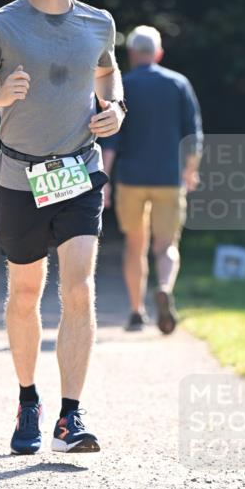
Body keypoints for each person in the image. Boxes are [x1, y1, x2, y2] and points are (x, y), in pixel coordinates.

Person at [0, 0, 126, 455]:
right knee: (26, 291)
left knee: (78, 286)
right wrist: (1, 97)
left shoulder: (99, 22)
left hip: (78, 168)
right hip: (20, 176)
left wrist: (115, 107)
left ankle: (70, 417)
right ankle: (28, 399)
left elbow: (106, 71)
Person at [101, 26, 203, 334]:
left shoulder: (122, 87)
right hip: (169, 179)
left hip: (131, 179)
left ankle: (136, 312)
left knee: (135, 244)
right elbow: (194, 136)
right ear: (158, 53)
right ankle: (164, 287)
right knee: (167, 244)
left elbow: (110, 141)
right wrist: (190, 170)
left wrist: (103, 181)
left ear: (131, 54)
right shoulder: (178, 84)